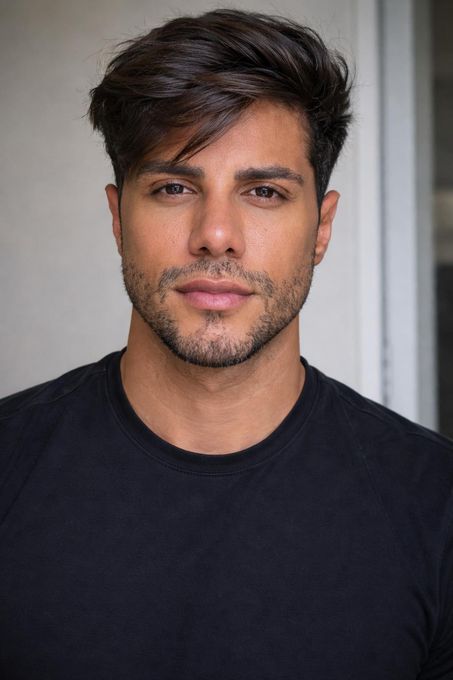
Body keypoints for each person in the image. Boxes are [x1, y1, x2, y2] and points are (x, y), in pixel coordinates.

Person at [1, 8, 452, 679]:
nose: (216, 235)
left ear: (322, 227)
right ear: (118, 219)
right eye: (174, 187)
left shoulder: (435, 504)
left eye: (263, 191)